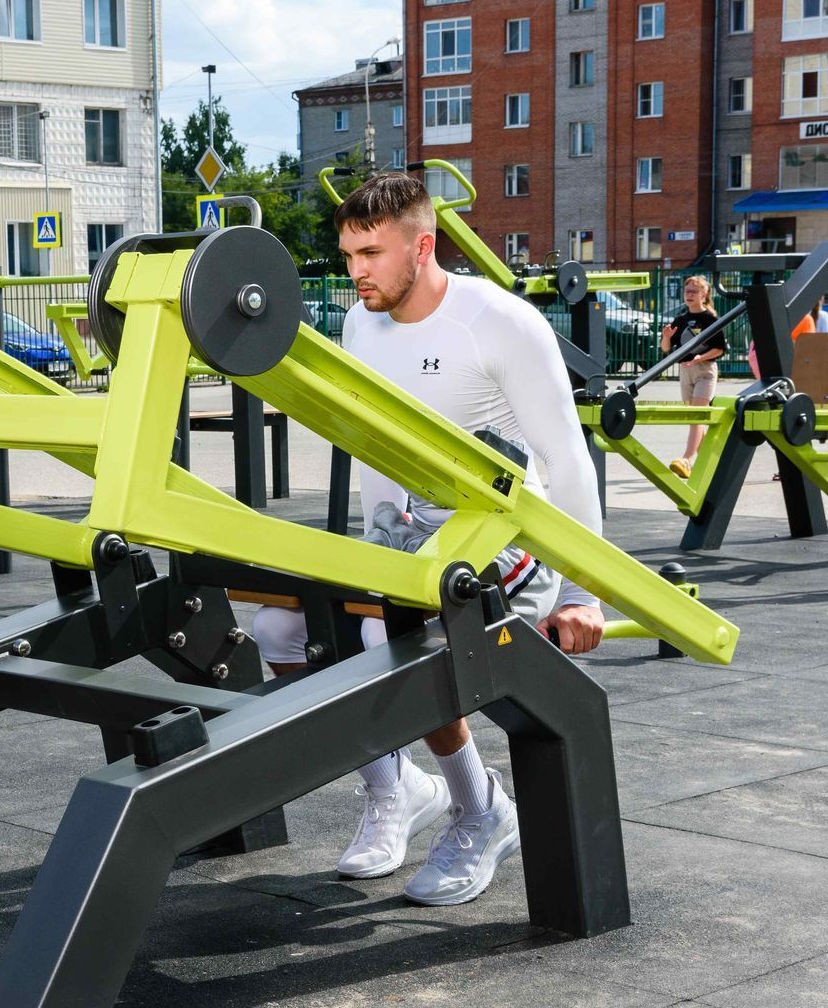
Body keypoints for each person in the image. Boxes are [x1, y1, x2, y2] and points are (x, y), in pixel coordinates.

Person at [252, 173, 604, 907]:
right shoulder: (361, 324)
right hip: (413, 535)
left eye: (371, 254)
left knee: (387, 632)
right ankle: (395, 789)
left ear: (422, 246)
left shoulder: (499, 322)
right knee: (280, 628)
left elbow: (567, 460)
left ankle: (483, 811)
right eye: (349, 255)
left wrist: (582, 592)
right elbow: (380, 456)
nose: (356, 273)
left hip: (511, 543)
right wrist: (376, 558)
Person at [659, 276, 724, 480]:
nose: (689, 295)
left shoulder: (711, 320)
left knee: (697, 416)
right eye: (687, 291)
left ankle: (686, 459)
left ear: (704, 294)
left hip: (705, 371)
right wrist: (666, 336)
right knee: (695, 419)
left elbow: (719, 349)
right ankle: (709, 464)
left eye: (694, 291)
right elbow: (665, 349)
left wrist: (700, 358)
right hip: (685, 372)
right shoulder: (680, 320)